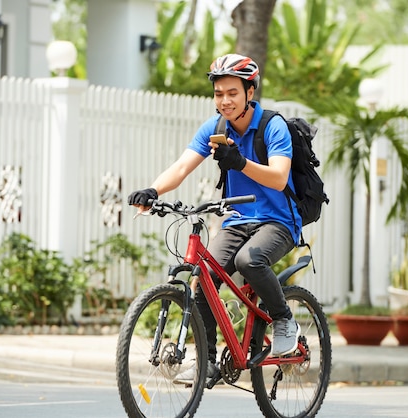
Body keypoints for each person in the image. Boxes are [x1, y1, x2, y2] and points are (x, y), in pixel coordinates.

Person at [128, 54, 302, 383]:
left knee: (250, 260)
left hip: (278, 221)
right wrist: (153, 190)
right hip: (237, 221)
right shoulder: (215, 127)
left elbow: (279, 178)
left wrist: (239, 162)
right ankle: (207, 360)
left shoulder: (273, 126)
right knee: (203, 277)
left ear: (250, 92)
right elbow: (181, 167)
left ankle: (283, 319)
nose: (225, 101)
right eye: (219, 93)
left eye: (232, 93)